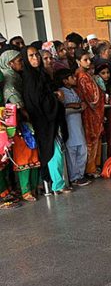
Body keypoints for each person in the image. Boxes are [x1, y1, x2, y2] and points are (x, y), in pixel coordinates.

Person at [20, 46, 71, 195]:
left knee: (57, 151)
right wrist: (55, 97)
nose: (35, 58)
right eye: (31, 56)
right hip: (43, 121)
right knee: (53, 152)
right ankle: (57, 184)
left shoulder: (41, 75)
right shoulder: (29, 78)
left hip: (51, 119)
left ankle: (57, 183)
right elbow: (36, 101)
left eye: (36, 55)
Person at [1, 50, 41, 201]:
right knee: (24, 157)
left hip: (26, 123)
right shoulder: (9, 81)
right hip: (18, 124)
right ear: (9, 63)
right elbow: (17, 105)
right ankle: (26, 190)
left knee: (33, 154)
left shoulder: (18, 77)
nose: (21, 63)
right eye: (18, 61)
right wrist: (30, 114)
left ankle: (33, 187)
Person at [55, 69, 90, 187]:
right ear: (65, 81)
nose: (75, 79)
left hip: (78, 125)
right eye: (72, 77)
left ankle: (80, 175)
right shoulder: (61, 92)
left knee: (82, 150)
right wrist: (73, 105)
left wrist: (81, 105)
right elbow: (61, 107)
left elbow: (80, 104)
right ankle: (74, 177)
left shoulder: (74, 91)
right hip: (69, 125)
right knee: (72, 151)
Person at [74, 48, 106, 178]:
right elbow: (91, 98)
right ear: (78, 61)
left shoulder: (86, 75)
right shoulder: (81, 77)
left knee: (95, 139)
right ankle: (90, 168)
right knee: (91, 139)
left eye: (89, 59)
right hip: (89, 113)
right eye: (85, 60)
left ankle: (94, 166)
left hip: (94, 112)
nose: (88, 62)